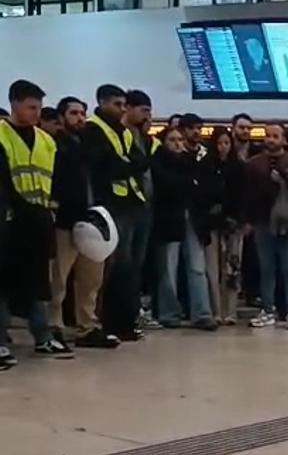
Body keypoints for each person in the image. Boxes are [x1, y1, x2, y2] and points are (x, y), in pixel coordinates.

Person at [0, 79, 73, 365]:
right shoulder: (1, 136)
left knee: (38, 281)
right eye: (31, 107)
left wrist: (51, 207)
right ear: (14, 103)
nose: (36, 113)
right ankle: (2, 341)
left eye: (39, 107)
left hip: (39, 221)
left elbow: (57, 178)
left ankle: (42, 337)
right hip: (7, 221)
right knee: (3, 282)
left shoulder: (46, 140)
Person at [82, 84, 152, 342]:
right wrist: (127, 165)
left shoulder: (123, 131)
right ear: (101, 102)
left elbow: (139, 161)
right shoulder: (93, 129)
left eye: (124, 105)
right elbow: (109, 166)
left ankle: (126, 322)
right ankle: (110, 322)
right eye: (116, 104)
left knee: (132, 268)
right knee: (116, 267)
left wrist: (127, 165)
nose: (121, 109)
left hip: (133, 203)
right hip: (109, 205)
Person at [49, 96, 118, 349]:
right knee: (58, 277)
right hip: (66, 220)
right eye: (74, 113)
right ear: (61, 118)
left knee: (91, 279)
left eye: (83, 113)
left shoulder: (90, 145)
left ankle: (87, 325)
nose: (80, 118)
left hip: (93, 220)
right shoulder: (56, 146)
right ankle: (53, 326)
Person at [242, 123, 288, 330]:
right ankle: (267, 309)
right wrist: (248, 220)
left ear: (284, 139)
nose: (270, 140)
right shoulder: (254, 164)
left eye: (275, 136)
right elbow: (248, 195)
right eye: (268, 135)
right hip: (263, 222)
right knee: (267, 269)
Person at [150, 126, 216, 331]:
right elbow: (168, 186)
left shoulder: (191, 162)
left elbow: (201, 188)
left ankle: (202, 313)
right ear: (163, 142)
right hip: (168, 220)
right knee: (168, 269)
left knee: (197, 268)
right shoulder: (157, 163)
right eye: (172, 139)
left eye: (179, 139)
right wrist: (189, 183)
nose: (178, 143)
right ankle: (169, 313)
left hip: (193, 220)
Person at [196, 126, 244, 325]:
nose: (223, 147)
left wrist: (237, 218)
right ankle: (215, 310)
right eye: (219, 143)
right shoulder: (205, 166)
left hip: (233, 225)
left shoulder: (239, 167)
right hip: (211, 224)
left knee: (232, 268)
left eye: (226, 143)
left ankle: (230, 311)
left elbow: (243, 196)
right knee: (212, 269)